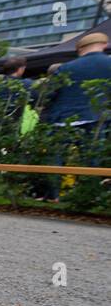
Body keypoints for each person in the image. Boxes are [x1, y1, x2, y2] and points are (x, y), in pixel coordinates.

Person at [34, 31, 110, 200]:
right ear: (104, 45)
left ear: (81, 49)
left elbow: (48, 94)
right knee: (92, 159)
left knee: (55, 158)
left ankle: (52, 196)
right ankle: (90, 197)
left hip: (62, 119)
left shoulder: (67, 67)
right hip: (96, 118)